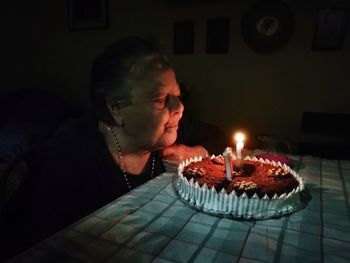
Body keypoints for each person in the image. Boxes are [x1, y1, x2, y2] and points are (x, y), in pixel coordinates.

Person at [1, 36, 228, 261]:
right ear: (116, 108)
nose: (179, 107)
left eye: (178, 95)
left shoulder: (171, 129)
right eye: (160, 99)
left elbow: (218, 136)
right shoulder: (64, 161)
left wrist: (194, 152)